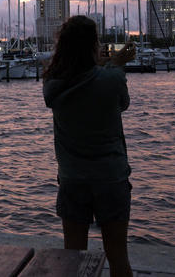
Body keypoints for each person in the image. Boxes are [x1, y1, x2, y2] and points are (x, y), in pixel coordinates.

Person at [42, 15, 136, 277]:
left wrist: (103, 67)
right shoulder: (112, 79)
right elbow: (122, 104)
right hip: (111, 177)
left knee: (73, 257)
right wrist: (116, 65)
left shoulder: (52, 85)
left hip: (72, 178)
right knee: (118, 256)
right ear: (93, 45)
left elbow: (82, 79)